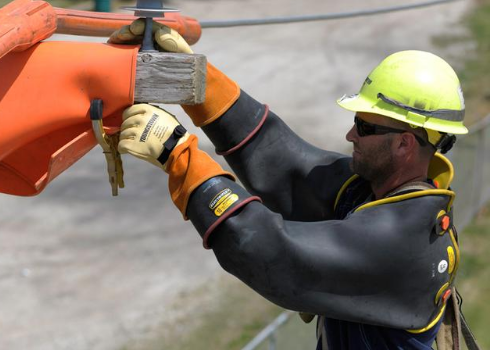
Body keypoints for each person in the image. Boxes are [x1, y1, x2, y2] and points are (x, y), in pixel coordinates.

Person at [109, 21, 471, 350]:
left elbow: (271, 252)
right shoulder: (379, 192)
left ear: (404, 144)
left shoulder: (402, 241)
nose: (350, 134)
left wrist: (178, 154)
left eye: (364, 126)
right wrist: (197, 83)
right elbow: (288, 165)